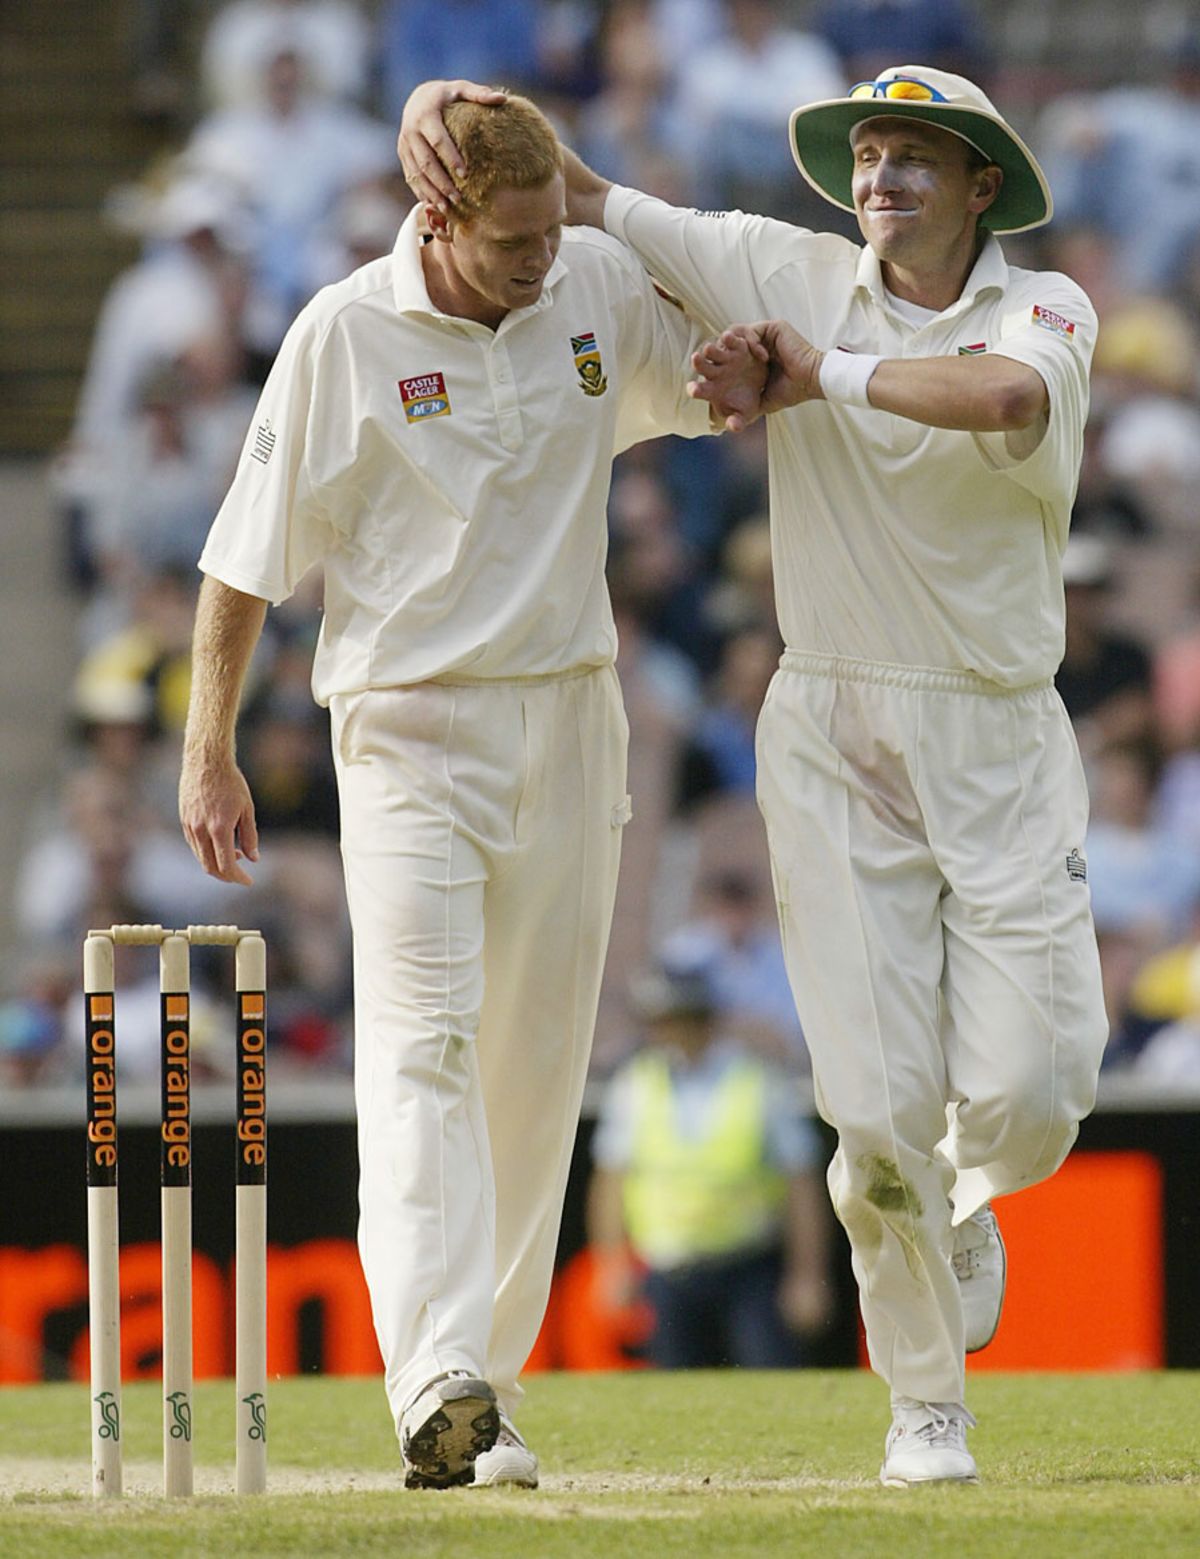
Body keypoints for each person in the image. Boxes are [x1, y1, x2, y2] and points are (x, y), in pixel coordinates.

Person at [399, 64, 1110, 1486]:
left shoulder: (1046, 310)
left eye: (919, 157)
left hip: (998, 727)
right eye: (870, 153)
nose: (884, 176)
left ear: (983, 187)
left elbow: (996, 395)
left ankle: (975, 1194)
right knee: (873, 1105)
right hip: (833, 725)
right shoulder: (780, 263)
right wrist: (449, 108)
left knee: (1036, 1090)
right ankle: (926, 1406)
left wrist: (816, 374)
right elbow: (593, 197)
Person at [178, 93, 740, 1491]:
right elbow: (244, 559)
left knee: (535, 1075)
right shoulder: (343, 332)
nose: (543, 258)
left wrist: (742, 355)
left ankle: (480, 1396)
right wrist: (209, 743)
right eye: (512, 241)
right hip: (409, 729)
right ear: (436, 218)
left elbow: (707, 371)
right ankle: (433, 1367)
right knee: (421, 1039)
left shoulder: (590, 272)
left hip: (569, 717)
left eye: (553, 229)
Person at [588, 948, 831, 1368]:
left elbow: (801, 1183)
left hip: (749, 1265)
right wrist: (612, 1265)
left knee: (772, 1382)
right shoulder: (635, 1086)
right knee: (672, 1392)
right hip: (669, 1270)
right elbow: (611, 1180)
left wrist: (806, 1275)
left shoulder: (758, 1081)